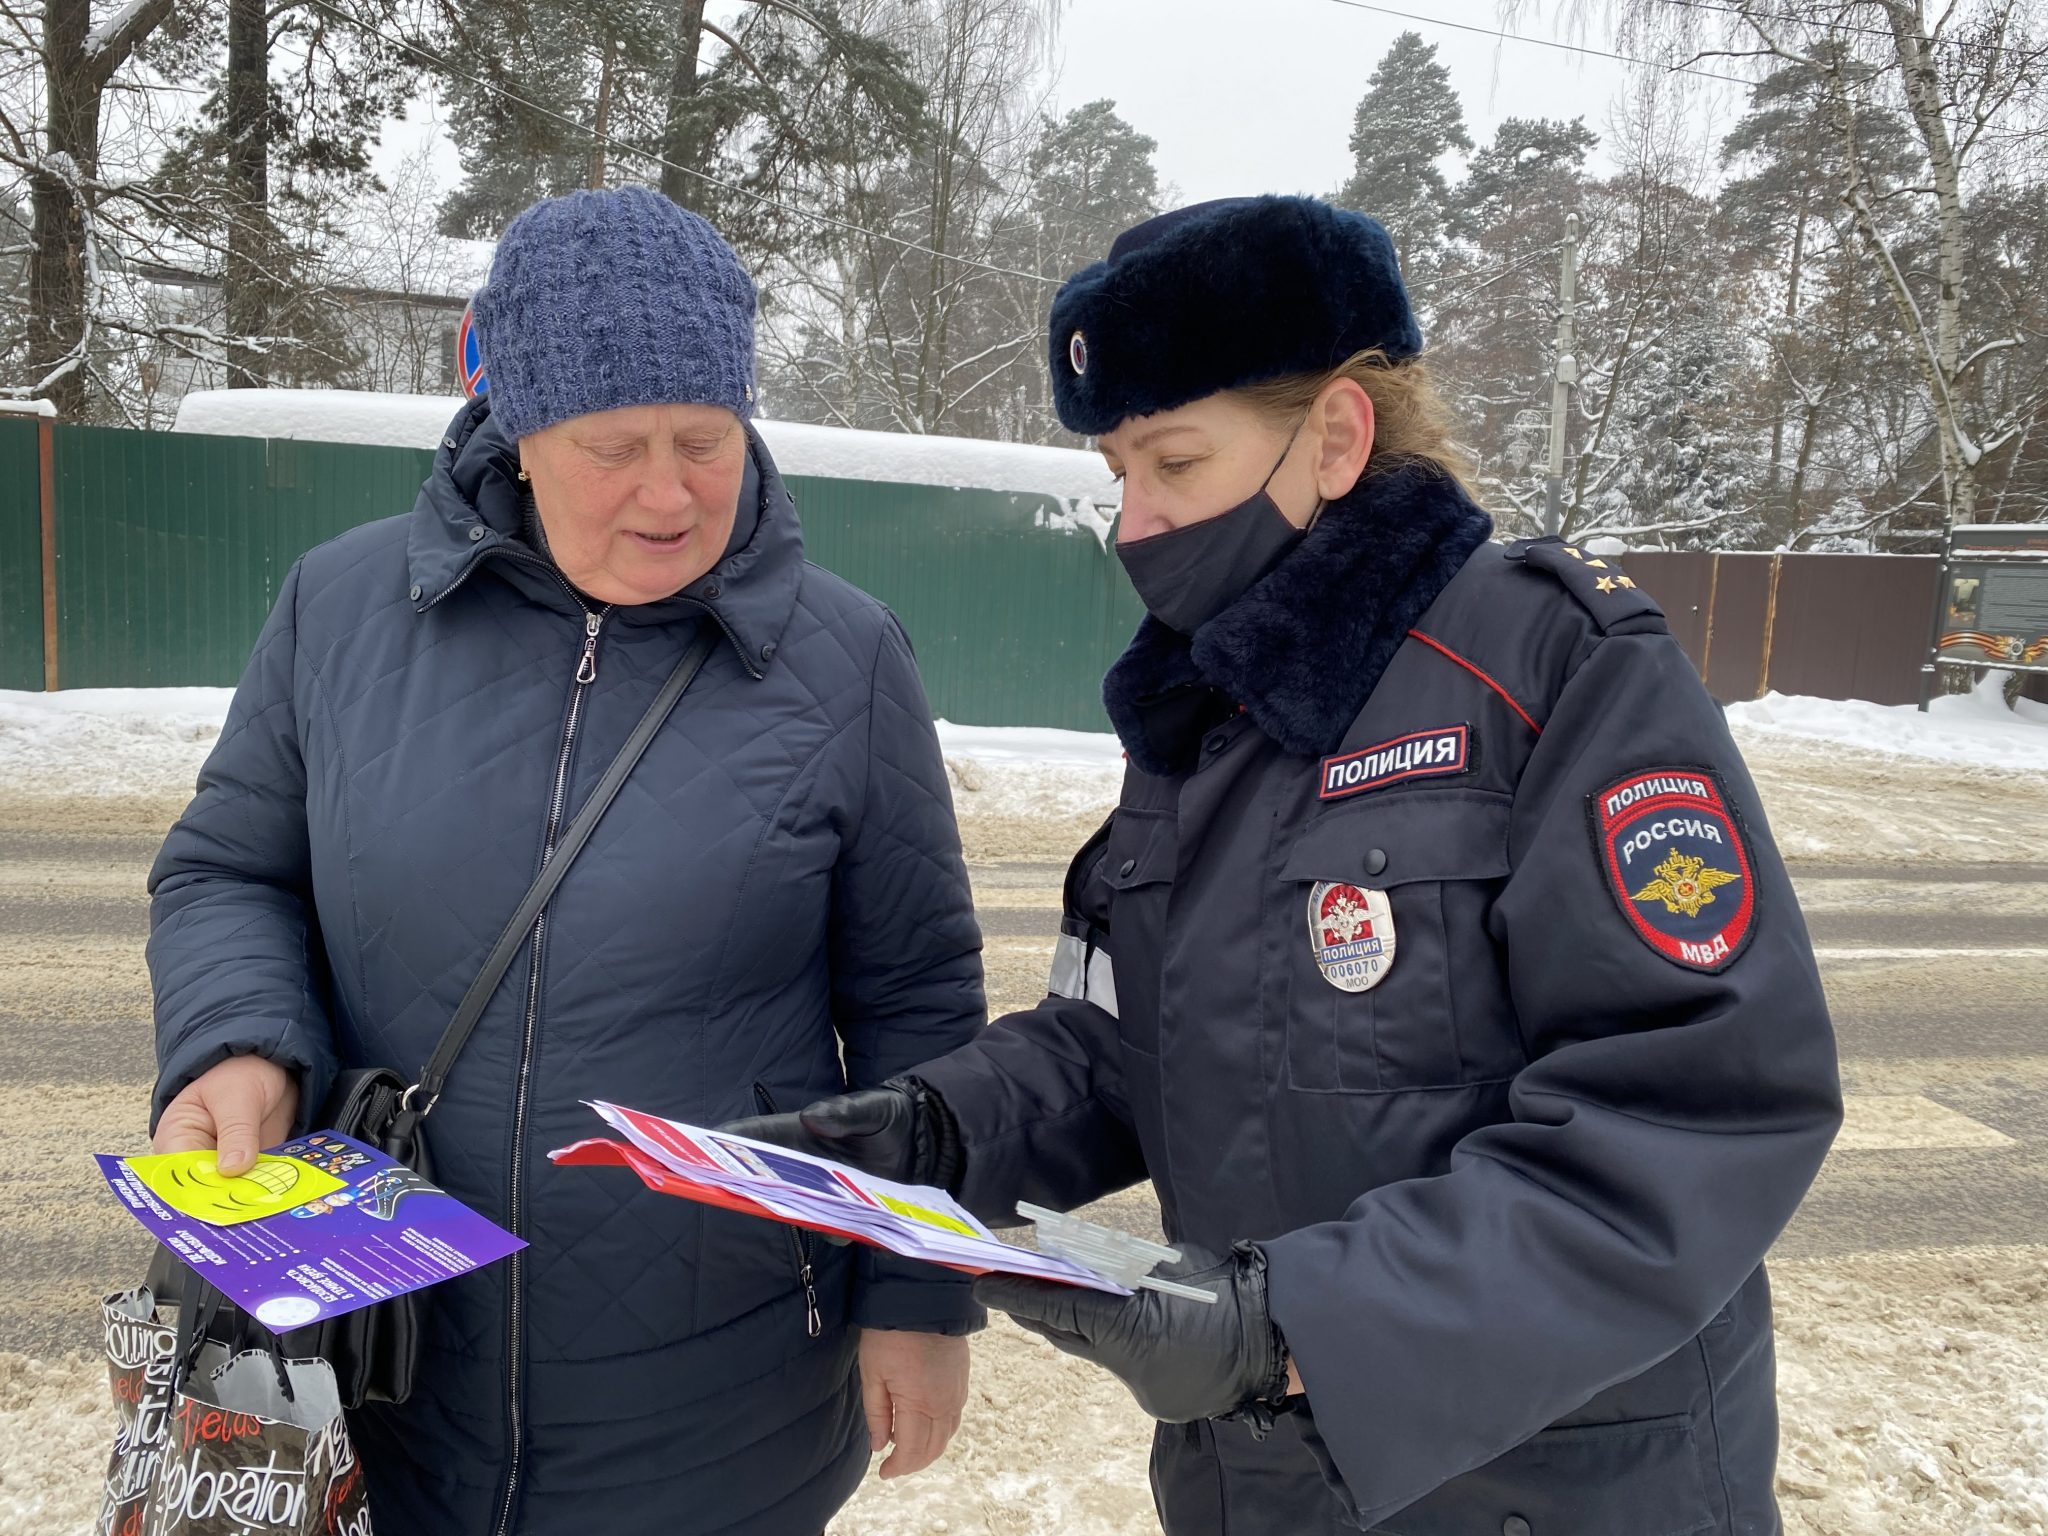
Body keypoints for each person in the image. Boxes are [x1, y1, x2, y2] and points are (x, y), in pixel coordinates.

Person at [727, 196, 1843, 1536]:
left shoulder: (1558, 673)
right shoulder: (1204, 709)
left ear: (1335, 435)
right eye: (1117, 478)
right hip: (1258, 1487)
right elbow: (1120, 1037)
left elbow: (1696, 1111)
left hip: (1548, 1488)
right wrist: (938, 1134)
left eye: (1175, 464)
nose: (1136, 524)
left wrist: (1298, 1324)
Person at [145, 187, 985, 1535]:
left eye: (705, 440)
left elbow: (921, 1010)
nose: (670, 492)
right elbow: (228, 873)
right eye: (615, 446)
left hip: (724, 1400)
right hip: (382, 1368)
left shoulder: (846, 657)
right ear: (518, 431)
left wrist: (920, 1297)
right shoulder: (343, 610)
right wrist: (241, 1043)